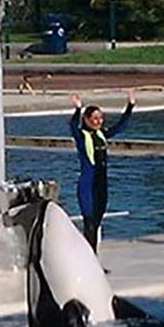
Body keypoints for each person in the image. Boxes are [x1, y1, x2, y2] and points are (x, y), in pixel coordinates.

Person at [69, 89, 135, 252]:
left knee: (97, 222)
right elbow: (72, 125)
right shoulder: (81, 135)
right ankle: (90, 260)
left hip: (101, 183)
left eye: (100, 118)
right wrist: (77, 109)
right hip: (88, 184)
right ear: (86, 119)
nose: (98, 121)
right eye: (94, 118)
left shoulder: (102, 134)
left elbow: (121, 126)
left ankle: (92, 258)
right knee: (89, 223)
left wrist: (130, 106)